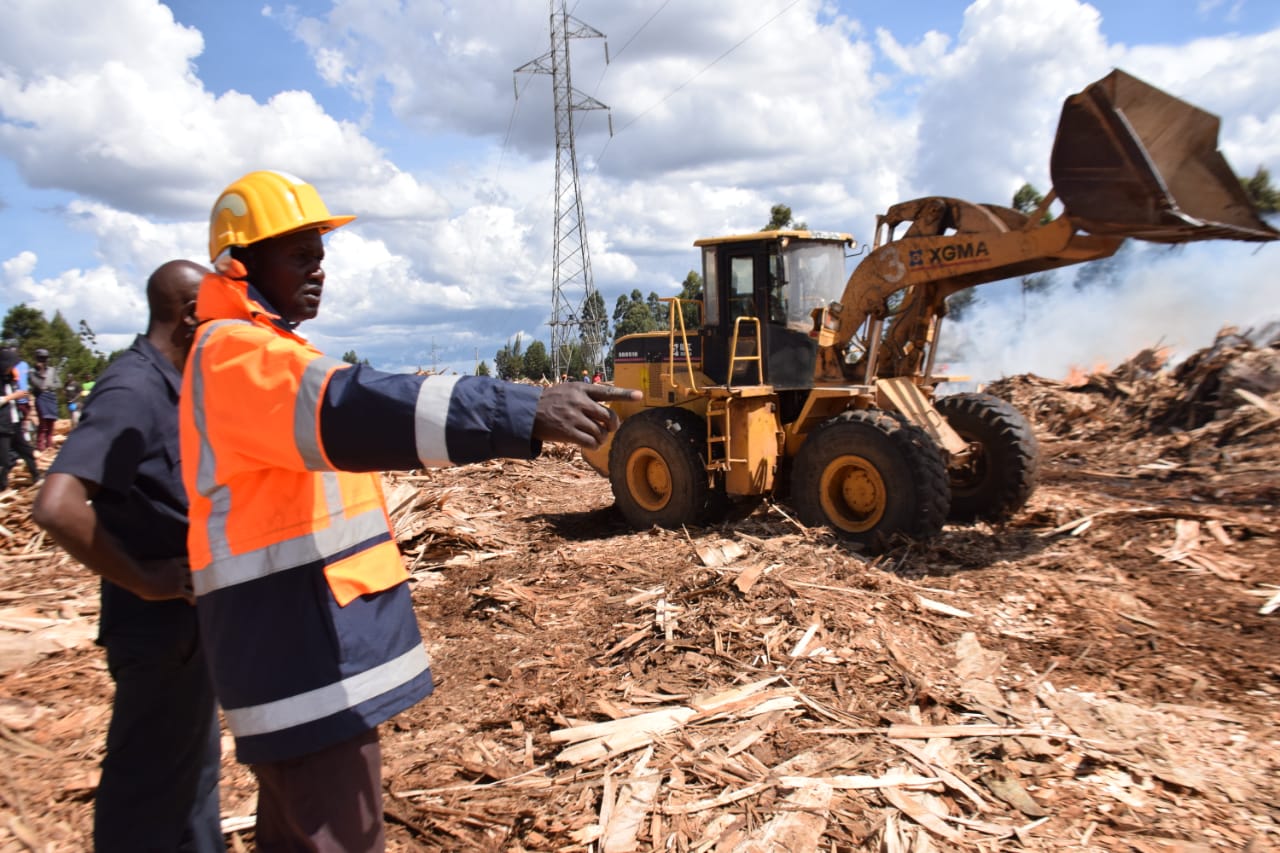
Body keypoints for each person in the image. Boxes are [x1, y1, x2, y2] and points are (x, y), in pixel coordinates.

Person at [183, 170, 640, 851]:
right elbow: (358, 408)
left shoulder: (254, 352)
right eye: (300, 254)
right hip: (300, 659)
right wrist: (522, 409)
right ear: (240, 264)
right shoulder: (237, 357)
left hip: (301, 654)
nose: (320, 268)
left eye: (322, 252)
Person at [32, 261, 224, 853]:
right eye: (217, 307)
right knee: (147, 792)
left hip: (184, 627)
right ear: (192, 315)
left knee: (190, 781)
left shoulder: (172, 383)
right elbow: (58, 505)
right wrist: (144, 579)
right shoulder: (132, 388)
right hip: (156, 628)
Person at [0, 344, 39, 489]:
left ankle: (36, 476)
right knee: (3, 461)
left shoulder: (10, 380)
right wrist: (12, 396)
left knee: (27, 451)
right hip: (2, 427)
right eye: (11, 365)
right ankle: (2, 488)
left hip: (14, 423)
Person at [28, 347, 60, 452]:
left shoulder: (52, 370)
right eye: (41, 358)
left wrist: (50, 387)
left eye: (45, 358)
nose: (43, 360)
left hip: (51, 397)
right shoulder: (32, 371)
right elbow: (38, 385)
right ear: (37, 358)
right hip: (41, 398)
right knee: (43, 424)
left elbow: (59, 383)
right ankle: (40, 447)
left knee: (51, 424)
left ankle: (49, 447)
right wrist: (40, 371)